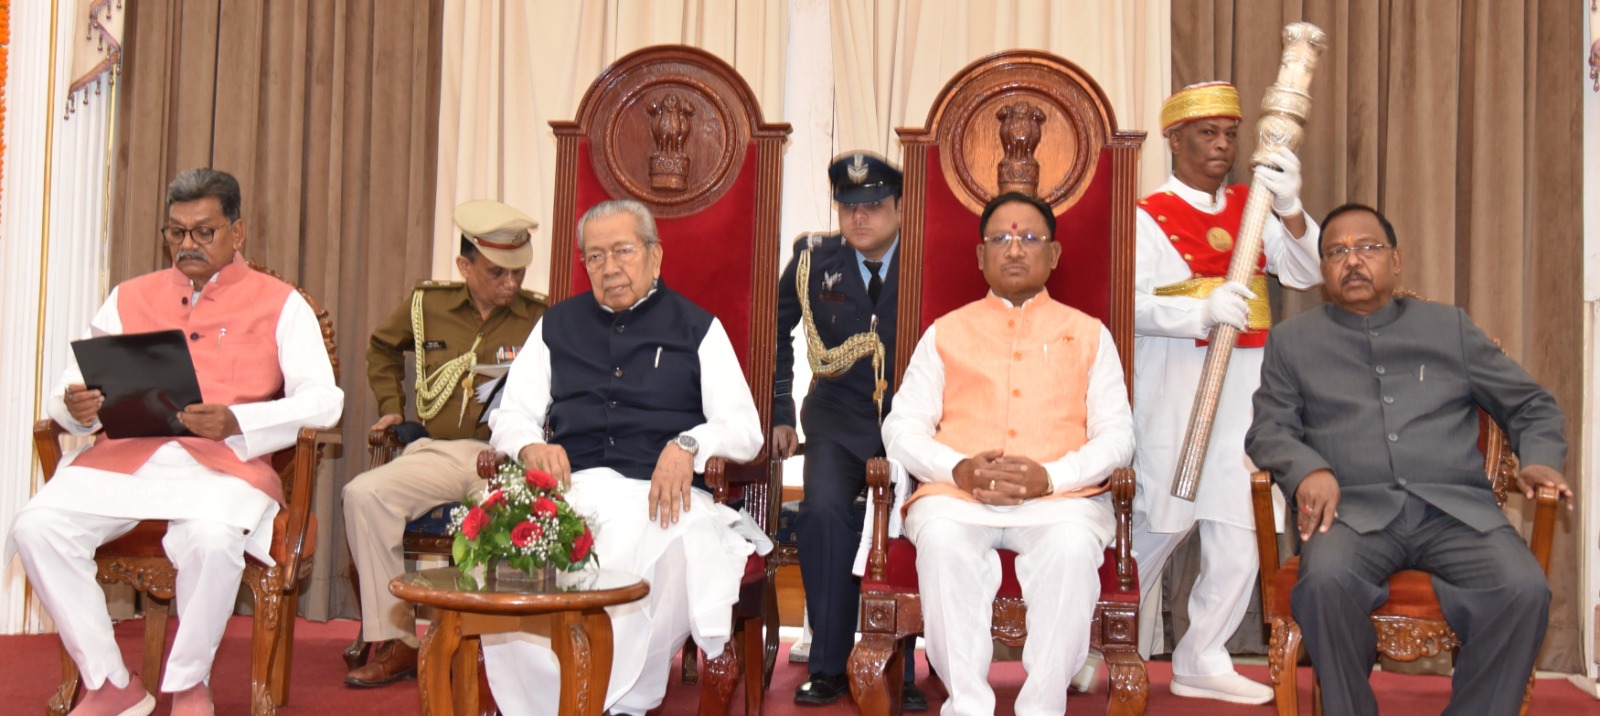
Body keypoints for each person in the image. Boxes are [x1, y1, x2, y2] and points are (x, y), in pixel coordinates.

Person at [7, 168, 344, 716]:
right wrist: (74, 407)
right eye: (176, 232)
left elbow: (325, 402)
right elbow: (68, 388)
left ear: (237, 232)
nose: (187, 244)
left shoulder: (281, 303)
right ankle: (112, 683)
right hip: (124, 460)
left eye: (203, 232)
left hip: (222, 469)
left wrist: (237, 420)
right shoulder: (128, 296)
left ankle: (189, 685)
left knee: (211, 540)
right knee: (35, 527)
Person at [1246, 203, 1571, 716]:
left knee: (1523, 589)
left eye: (1367, 248)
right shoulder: (1293, 342)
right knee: (1326, 584)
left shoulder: (1449, 328)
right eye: (1336, 252)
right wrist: (1309, 468)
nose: (1352, 261)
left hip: (1456, 513)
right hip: (1353, 513)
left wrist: (1541, 459)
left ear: (1396, 261)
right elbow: (1269, 428)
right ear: (1324, 268)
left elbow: (1530, 403)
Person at [481, 199, 765, 716]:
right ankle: (547, 703)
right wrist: (530, 446)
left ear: (655, 257)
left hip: (661, 496)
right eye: (594, 257)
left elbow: (746, 431)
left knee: (680, 545)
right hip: (575, 491)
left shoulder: (697, 328)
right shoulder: (554, 326)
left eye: (623, 251)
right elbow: (511, 414)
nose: (609, 268)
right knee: (517, 549)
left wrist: (689, 445)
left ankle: (621, 702)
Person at [883, 192, 1135, 716]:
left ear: (1054, 254)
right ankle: (968, 706)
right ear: (980, 257)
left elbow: (1118, 439)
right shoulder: (944, 333)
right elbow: (901, 427)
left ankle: (1042, 708)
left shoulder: (1090, 335)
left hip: (1061, 501)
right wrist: (957, 468)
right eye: (1000, 239)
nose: (1014, 250)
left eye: (1028, 238)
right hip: (957, 497)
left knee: (1069, 549)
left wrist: (1051, 477)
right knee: (944, 541)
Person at [1125, 81, 1321, 704]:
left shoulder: (1253, 204)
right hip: (1175, 386)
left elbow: (1305, 270)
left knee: (1242, 524)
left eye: (1230, 134)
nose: (1221, 145)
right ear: (1173, 140)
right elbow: (1124, 308)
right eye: (1206, 134)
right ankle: (1099, 640)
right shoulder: (1143, 215)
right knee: (1156, 524)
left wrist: (1290, 209)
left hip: (1248, 387)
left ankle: (1202, 654)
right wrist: (1196, 311)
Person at [341, 200, 547, 686]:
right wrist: (391, 404)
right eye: (498, 272)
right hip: (439, 449)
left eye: (519, 272)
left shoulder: (541, 317)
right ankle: (397, 640)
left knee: (504, 516)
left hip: (503, 457)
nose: (511, 285)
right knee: (363, 494)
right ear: (464, 265)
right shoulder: (427, 305)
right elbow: (382, 348)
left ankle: (488, 647)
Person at [774, 151, 923, 709]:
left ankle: (900, 664)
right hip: (837, 415)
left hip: (914, 420)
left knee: (912, 521)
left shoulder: (929, 256)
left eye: (875, 206)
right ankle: (829, 665)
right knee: (824, 513)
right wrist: (781, 413)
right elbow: (774, 328)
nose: (860, 218)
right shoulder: (815, 260)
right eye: (849, 207)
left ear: (901, 207)